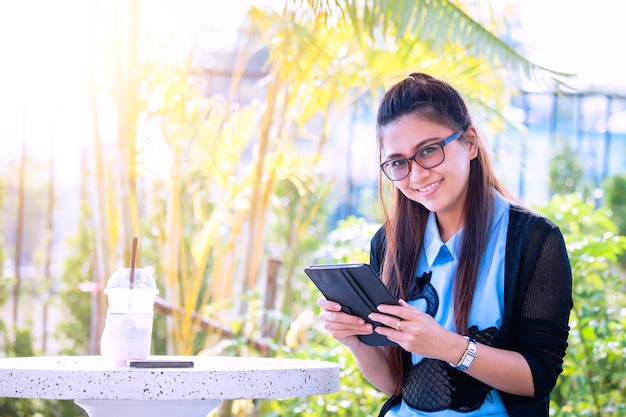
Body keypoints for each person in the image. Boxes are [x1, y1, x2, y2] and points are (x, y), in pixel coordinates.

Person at [317, 73, 573, 416]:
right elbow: (396, 384)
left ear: (470, 142)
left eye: (428, 150)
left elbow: (538, 376)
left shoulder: (533, 240)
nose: (417, 174)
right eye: (398, 162)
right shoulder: (389, 243)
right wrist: (353, 339)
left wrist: (449, 347)